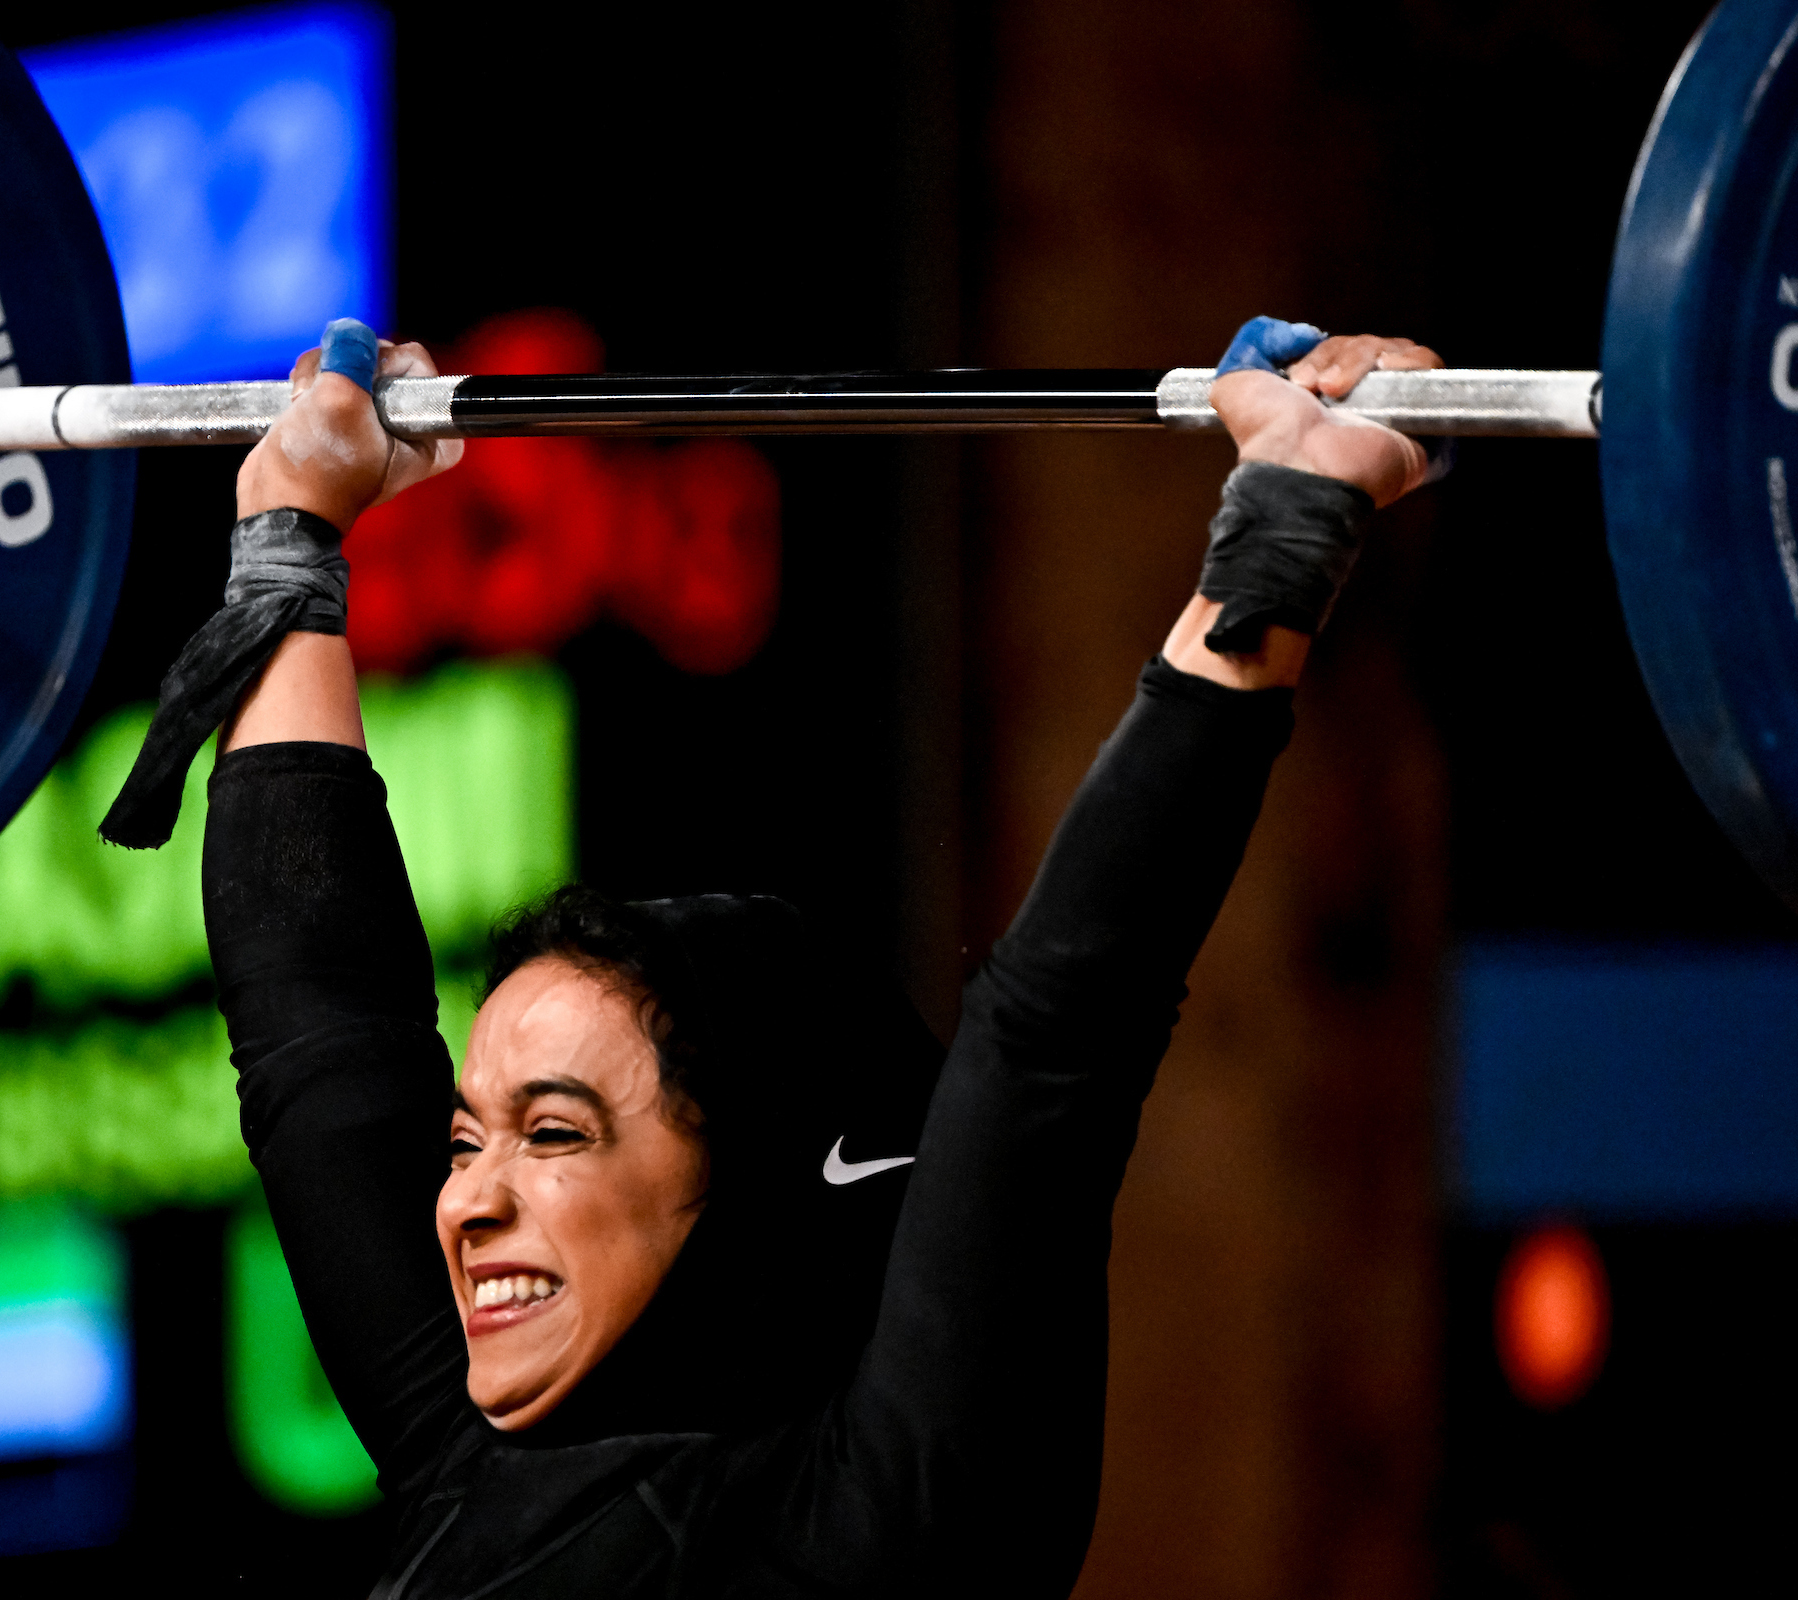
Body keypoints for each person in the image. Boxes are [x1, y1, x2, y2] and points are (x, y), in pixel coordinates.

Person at [101, 316, 1444, 1596]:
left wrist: (1282, 532)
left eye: (555, 1134)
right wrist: (288, 529)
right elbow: (320, 1031)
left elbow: (1054, 1038)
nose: (462, 1206)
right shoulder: (466, 1455)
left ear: (738, 1181)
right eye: (464, 1143)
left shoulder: (889, 1525)